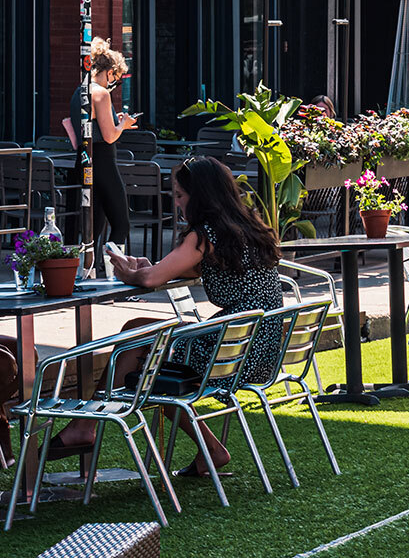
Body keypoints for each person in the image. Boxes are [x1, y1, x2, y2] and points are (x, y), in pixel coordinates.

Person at [48, 156, 284, 476]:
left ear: (199, 196)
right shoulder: (245, 228)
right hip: (259, 347)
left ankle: (84, 426)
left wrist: (130, 273)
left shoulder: (205, 234)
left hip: (232, 346)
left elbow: (149, 281)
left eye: (179, 196)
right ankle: (206, 449)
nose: (177, 203)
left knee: (142, 347)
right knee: (143, 338)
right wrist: (150, 267)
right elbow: (175, 270)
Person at [71, 38, 137, 271]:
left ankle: (86, 274)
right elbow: (110, 136)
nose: (115, 83)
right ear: (110, 72)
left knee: (93, 224)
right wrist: (124, 124)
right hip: (104, 161)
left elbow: (70, 124)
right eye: (116, 79)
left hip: (84, 159)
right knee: (121, 223)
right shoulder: (101, 93)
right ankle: (116, 277)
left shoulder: (80, 90)